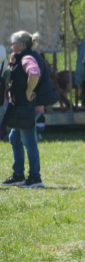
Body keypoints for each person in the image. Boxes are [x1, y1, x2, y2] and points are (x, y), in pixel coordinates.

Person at [1, 32, 59, 188]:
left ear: (21, 45)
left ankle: (35, 178)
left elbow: (34, 74)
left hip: (27, 106)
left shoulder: (27, 58)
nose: (11, 46)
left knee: (28, 140)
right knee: (15, 138)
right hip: (20, 105)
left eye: (12, 43)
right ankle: (18, 175)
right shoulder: (22, 56)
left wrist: (28, 92)